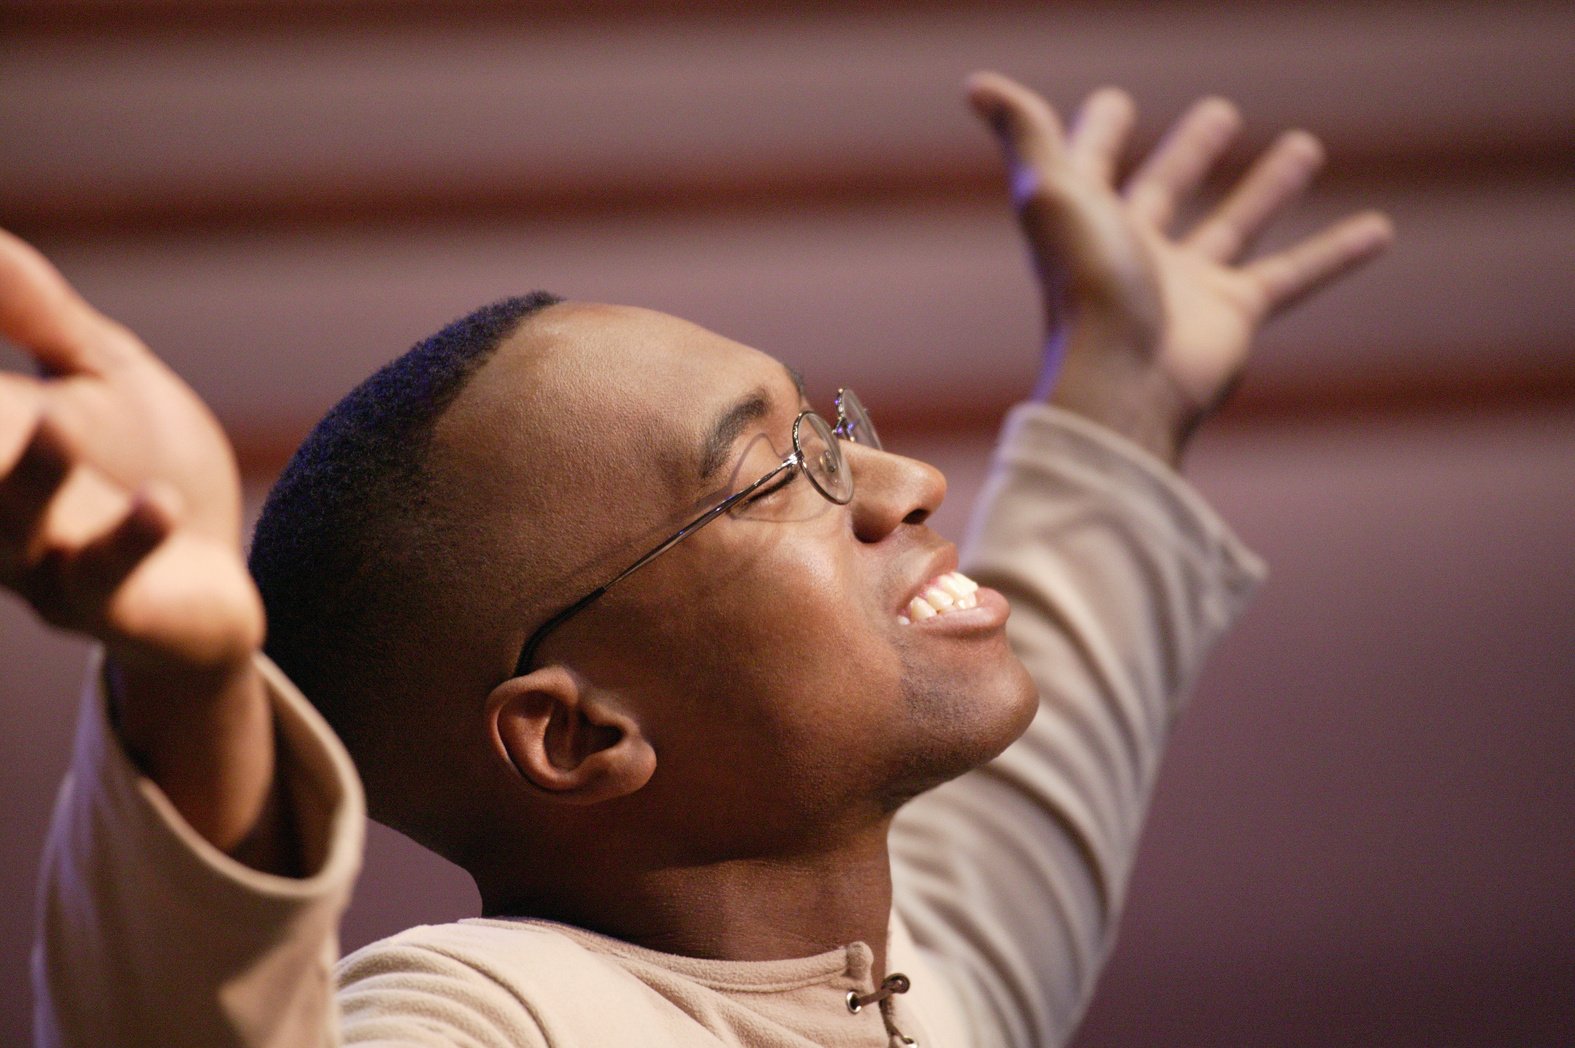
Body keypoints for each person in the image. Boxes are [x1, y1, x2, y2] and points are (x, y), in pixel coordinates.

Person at [7, 73, 1390, 1046]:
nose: (907, 484)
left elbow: (1032, 823)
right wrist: (190, 688)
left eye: (831, 429)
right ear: (581, 733)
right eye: (775, 475)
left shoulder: (922, 988)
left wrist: (1126, 380)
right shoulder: (483, 1013)